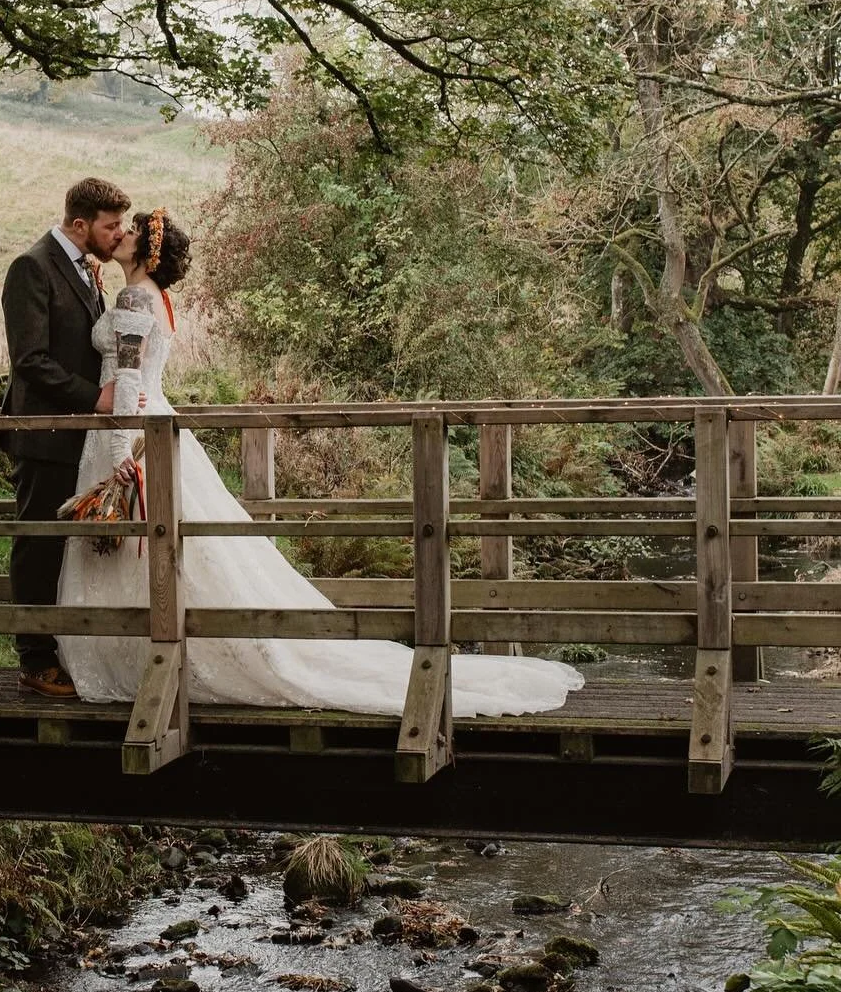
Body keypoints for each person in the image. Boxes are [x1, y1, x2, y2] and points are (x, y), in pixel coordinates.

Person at [56, 208, 583, 718]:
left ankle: (153, 656)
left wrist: (121, 453)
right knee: (176, 552)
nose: (120, 234)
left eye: (131, 230)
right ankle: (168, 651)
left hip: (132, 432)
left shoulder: (132, 295)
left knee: (152, 549)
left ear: (146, 251)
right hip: (158, 425)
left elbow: (127, 382)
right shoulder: (157, 298)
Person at [0, 177, 134, 698]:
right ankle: (34, 661)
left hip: (79, 435)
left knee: (67, 549)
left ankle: (69, 651)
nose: (118, 232)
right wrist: (94, 397)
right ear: (80, 224)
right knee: (38, 543)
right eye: (110, 224)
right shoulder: (31, 267)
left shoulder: (84, 269)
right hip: (44, 433)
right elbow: (29, 360)